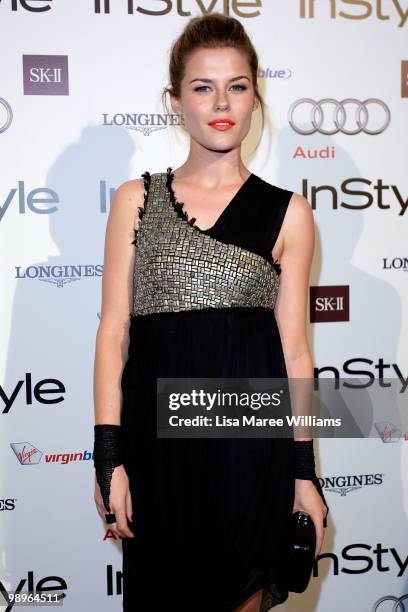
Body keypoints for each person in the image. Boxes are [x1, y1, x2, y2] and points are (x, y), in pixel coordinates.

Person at [92, 12, 329, 612]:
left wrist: (304, 472)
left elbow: (296, 353)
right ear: (175, 101)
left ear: (256, 98)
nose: (221, 102)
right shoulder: (135, 201)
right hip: (158, 457)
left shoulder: (289, 214)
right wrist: (109, 459)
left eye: (238, 85)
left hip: (252, 454)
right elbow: (113, 335)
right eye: (203, 87)